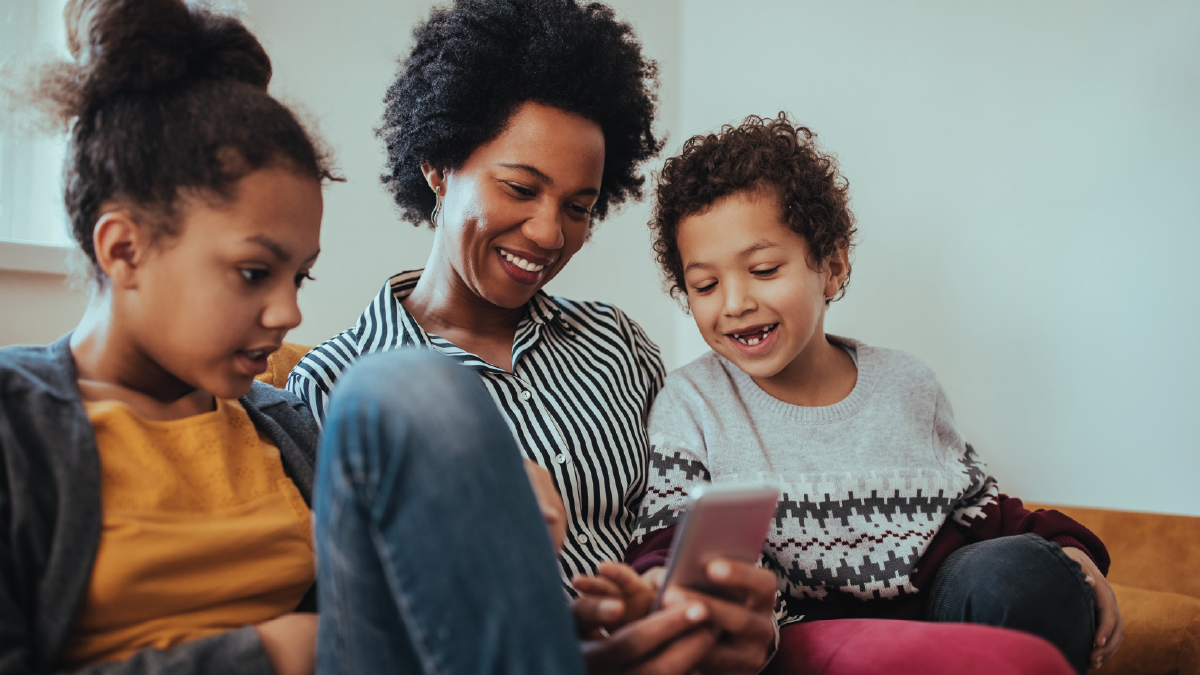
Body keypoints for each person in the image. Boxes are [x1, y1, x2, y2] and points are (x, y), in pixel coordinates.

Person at [288, 0, 777, 672]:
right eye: (520, 188)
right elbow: (363, 624)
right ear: (437, 163)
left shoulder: (619, 348)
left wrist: (723, 621)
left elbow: (670, 534)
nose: (550, 233)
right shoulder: (334, 389)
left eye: (579, 207)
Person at [575, 113, 1124, 674]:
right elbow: (672, 537)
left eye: (763, 269)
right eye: (705, 285)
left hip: (935, 622)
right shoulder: (694, 402)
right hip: (788, 642)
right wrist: (657, 591)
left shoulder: (908, 385)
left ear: (832, 268)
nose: (734, 302)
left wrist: (1072, 555)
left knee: (1026, 573)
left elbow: (985, 512)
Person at [0, 0, 335, 672]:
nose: (288, 313)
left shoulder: (289, 426)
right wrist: (266, 654)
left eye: (300, 278)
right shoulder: (17, 423)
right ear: (124, 249)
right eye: (253, 271)